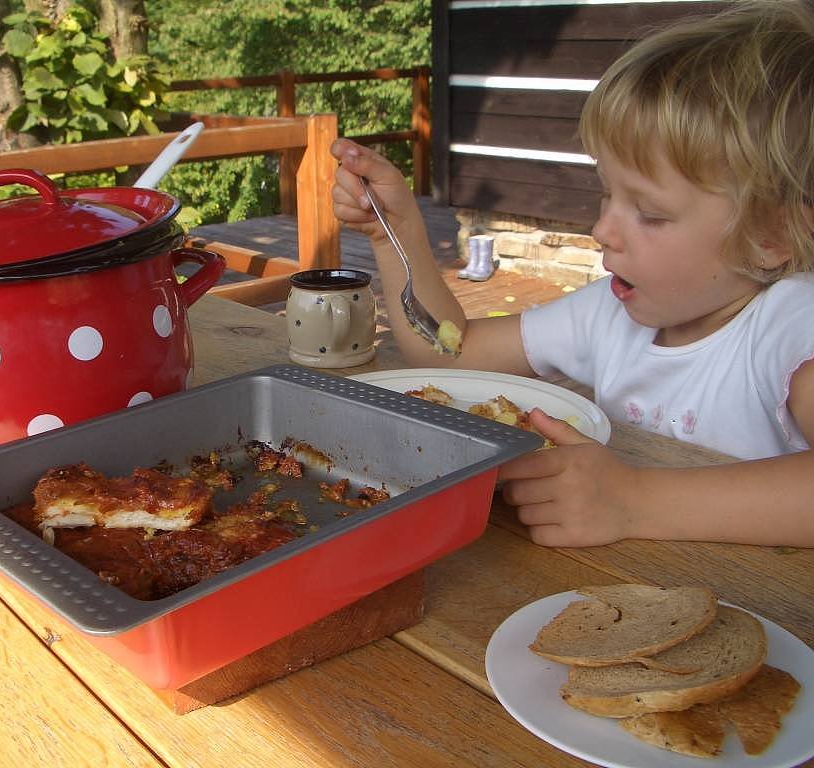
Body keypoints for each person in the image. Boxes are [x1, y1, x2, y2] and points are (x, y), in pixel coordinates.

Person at [330, 0, 814, 548]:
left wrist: (634, 502)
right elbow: (451, 354)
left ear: (771, 237)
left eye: (650, 213)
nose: (602, 228)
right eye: (607, 192)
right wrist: (396, 234)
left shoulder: (791, 325)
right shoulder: (610, 311)